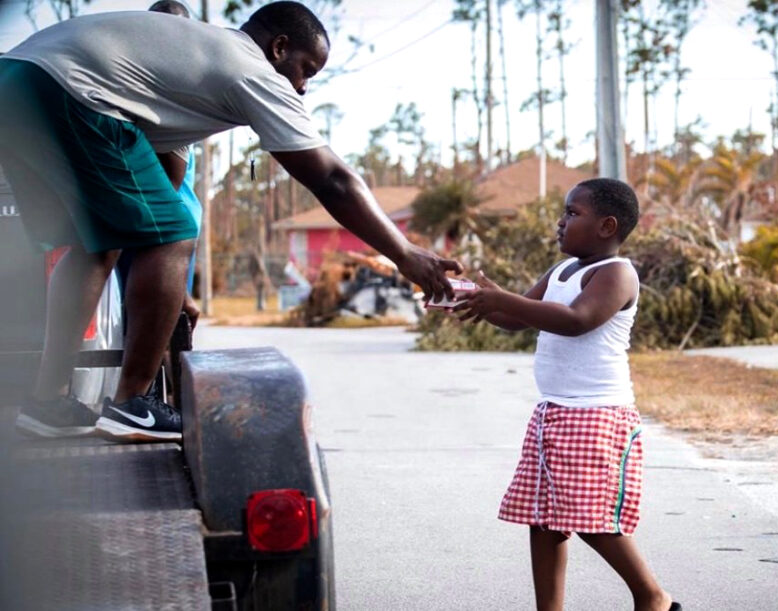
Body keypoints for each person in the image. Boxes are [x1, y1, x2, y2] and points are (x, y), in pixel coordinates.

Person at [0, 1, 460, 441]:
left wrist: (169, 289)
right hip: (71, 89)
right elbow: (333, 180)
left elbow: (163, 181)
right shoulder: (251, 68)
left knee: (93, 244)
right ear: (279, 47)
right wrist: (405, 254)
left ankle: (48, 405)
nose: (301, 88)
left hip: (17, 81)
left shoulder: (186, 64)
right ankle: (133, 404)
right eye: (305, 70)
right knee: (178, 232)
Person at [454, 178, 680, 611]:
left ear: (607, 226)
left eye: (573, 213)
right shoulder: (560, 271)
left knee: (590, 519)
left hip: (597, 415)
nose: (560, 222)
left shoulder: (616, 273)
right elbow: (518, 318)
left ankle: (653, 598)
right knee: (544, 521)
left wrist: (504, 299)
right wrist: (473, 299)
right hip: (554, 413)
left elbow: (577, 319)